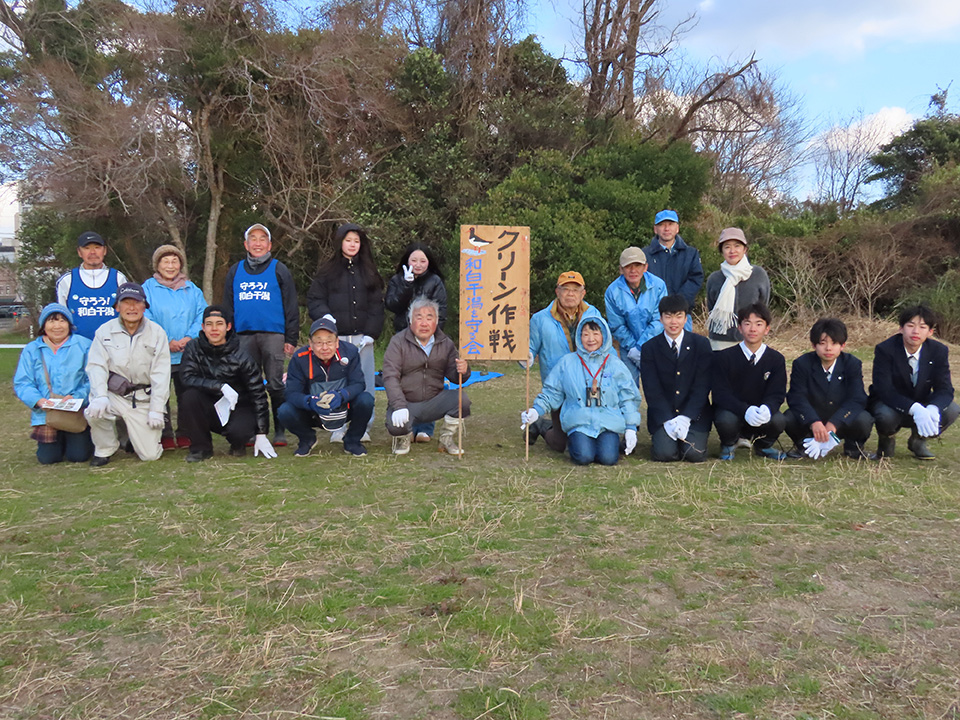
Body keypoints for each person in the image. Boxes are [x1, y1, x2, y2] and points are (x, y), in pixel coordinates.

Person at [521, 316, 641, 466]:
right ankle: (557, 434)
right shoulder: (567, 362)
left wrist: (631, 427)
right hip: (579, 420)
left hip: (608, 421)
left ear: (604, 336)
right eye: (585, 334)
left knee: (608, 459)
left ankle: (601, 445)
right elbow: (552, 391)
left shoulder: (615, 364)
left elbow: (628, 397)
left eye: (596, 334)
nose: (591, 339)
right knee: (583, 457)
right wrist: (536, 410)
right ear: (579, 337)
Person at [222, 223, 299, 447]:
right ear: (246, 244)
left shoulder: (279, 269)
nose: (257, 243)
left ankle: (280, 431)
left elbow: (291, 306)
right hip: (243, 337)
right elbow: (228, 306)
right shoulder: (235, 271)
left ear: (270, 245)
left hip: (274, 335)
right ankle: (254, 429)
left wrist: (291, 338)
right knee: (248, 384)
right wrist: (228, 339)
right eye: (253, 239)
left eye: (262, 239)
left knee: (275, 384)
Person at [307, 222, 384, 442]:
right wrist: (325, 317)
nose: (352, 245)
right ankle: (337, 427)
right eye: (348, 240)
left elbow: (377, 304)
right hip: (335, 339)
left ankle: (363, 427)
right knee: (336, 383)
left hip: (362, 339)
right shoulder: (327, 270)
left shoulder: (369, 270)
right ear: (340, 242)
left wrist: (371, 333)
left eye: (356, 241)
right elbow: (315, 298)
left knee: (365, 382)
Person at [84, 283, 171, 466]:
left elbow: (161, 374)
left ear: (144, 306)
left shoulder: (157, 333)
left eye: (136, 302)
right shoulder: (104, 331)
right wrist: (100, 396)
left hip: (143, 399)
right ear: (117, 306)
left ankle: (135, 435)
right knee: (95, 411)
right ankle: (105, 448)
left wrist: (157, 409)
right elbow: (96, 366)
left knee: (150, 456)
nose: (131, 308)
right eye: (126, 302)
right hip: (115, 395)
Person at [178, 306, 277, 462]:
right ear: (203, 327)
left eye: (219, 323)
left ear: (228, 326)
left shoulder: (243, 353)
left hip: (239, 406)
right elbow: (186, 377)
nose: (214, 329)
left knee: (240, 433)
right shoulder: (193, 348)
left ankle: (238, 443)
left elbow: (258, 393)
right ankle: (201, 449)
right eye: (209, 324)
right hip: (208, 404)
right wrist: (220, 386)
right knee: (189, 397)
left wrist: (261, 433)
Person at [869, 305, 960, 460]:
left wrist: (933, 407)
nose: (916, 332)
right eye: (910, 326)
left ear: (930, 332)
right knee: (884, 415)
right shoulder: (885, 349)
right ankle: (886, 441)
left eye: (922, 327)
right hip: (891, 403)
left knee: (951, 409)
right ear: (901, 329)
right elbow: (883, 389)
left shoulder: (938, 351)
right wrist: (914, 408)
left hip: (923, 401)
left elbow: (944, 389)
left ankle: (918, 440)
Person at [525, 270, 602, 451]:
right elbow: (529, 348)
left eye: (575, 290)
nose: (570, 294)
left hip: (589, 384)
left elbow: (603, 344)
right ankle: (542, 426)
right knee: (561, 445)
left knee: (592, 435)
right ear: (557, 292)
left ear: (583, 293)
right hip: (558, 389)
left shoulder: (593, 313)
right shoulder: (540, 319)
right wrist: (525, 357)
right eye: (565, 289)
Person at [382, 297, 469, 456]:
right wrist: (399, 405)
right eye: (419, 317)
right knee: (396, 425)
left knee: (462, 400)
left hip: (434, 400)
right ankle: (404, 437)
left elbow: (456, 377)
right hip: (407, 401)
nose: (424, 323)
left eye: (429, 317)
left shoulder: (446, 343)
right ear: (410, 320)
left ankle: (446, 438)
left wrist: (464, 370)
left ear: (436, 321)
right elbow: (390, 376)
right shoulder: (398, 342)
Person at [279, 315, 374, 458]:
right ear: (310, 344)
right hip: (312, 411)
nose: (324, 347)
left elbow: (359, 384)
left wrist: (341, 395)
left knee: (366, 400)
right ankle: (307, 439)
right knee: (284, 411)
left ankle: (352, 441)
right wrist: (310, 401)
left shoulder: (350, 352)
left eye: (329, 341)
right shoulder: (300, 358)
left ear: (337, 342)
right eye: (319, 342)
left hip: (343, 407)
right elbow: (291, 393)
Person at [143, 244, 207, 450]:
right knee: (160, 394)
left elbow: (202, 315)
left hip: (188, 352)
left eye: (174, 261)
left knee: (187, 394)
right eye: (165, 261)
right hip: (159, 351)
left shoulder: (192, 288)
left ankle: (186, 432)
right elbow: (145, 316)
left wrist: (189, 337)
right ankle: (165, 432)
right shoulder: (147, 289)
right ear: (157, 264)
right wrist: (166, 340)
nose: (170, 266)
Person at [784, 318, 875, 460]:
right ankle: (803, 446)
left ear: (843, 345)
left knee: (864, 419)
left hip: (841, 419)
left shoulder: (852, 363)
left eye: (834, 343)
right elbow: (796, 397)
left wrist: (835, 423)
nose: (828, 348)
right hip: (813, 419)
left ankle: (853, 448)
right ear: (814, 345)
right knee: (789, 417)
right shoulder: (802, 364)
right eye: (822, 343)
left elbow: (857, 398)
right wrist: (813, 421)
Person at [13, 303, 93, 464]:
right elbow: (23, 382)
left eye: (62, 321)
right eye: (51, 321)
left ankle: (81, 437)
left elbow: (93, 378)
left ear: (69, 324)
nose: (57, 326)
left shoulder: (84, 345)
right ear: (44, 325)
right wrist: (38, 401)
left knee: (79, 456)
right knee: (48, 459)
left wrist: (78, 397)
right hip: (46, 413)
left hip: (75, 411)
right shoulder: (32, 349)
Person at [384, 242, 448, 443]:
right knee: (404, 379)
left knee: (429, 379)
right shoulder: (397, 279)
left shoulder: (435, 281)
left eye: (423, 260)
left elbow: (442, 310)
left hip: (429, 338)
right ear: (407, 261)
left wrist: (435, 334)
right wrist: (406, 285)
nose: (418, 264)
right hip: (403, 337)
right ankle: (406, 425)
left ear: (429, 262)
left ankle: (425, 428)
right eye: (414, 260)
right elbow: (392, 305)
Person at [640, 295, 712, 462]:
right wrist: (667, 418)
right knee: (665, 454)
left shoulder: (701, 344)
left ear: (686, 318)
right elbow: (652, 389)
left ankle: (690, 435)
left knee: (694, 454)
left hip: (694, 415)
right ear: (661, 318)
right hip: (664, 415)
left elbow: (702, 385)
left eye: (678, 316)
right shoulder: (650, 348)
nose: (673, 322)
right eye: (668, 316)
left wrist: (686, 417)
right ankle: (665, 437)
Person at [712, 303, 788, 460]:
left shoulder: (776, 359)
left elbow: (777, 392)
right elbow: (720, 394)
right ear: (739, 328)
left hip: (760, 413)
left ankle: (764, 446)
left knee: (779, 420)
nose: (753, 329)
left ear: (767, 329)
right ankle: (728, 444)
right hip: (733, 412)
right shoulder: (724, 357)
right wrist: (744, 410)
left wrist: (767, 408)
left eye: (759, 324)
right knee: (725, 419)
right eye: (747, 323)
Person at [604, 247, 667, 384]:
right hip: (628, 348)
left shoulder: (659, 286)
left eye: (637, 265)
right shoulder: (612, 291)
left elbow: (659, 319)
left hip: (655, 345)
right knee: (629, 388)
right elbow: (617, 325)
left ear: (645, 267)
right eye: (628, 266)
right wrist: (633, 348)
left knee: (658, 386)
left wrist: (641, 347)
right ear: (621, 269)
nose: (633, 270)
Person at [705, 227, 771, 351]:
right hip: (720, 341)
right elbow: (711, 307)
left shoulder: (758, 274)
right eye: (727, 247)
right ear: (722, 251)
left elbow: (763, 306)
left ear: (745, 249)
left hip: (750, 339)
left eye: (737, 246)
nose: (732, 251)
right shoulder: (714, 278)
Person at [56, 230, 129, 340]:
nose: (92, 252)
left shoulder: (118, 278)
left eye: (97, 247)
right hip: (78, 347)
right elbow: (61, 316)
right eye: (87, 248)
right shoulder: (67, 280)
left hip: (113, 346)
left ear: (104, 251)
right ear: (79, 252)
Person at [643, 210, 703, 332]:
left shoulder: (691, 254)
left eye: (670, 224)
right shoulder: (644, 255)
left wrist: (677, 304)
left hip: (682, 315)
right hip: (652, 318)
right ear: (655, 229)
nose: (666, 228)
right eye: (662, 225)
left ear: (677, 228)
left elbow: (695, 279)